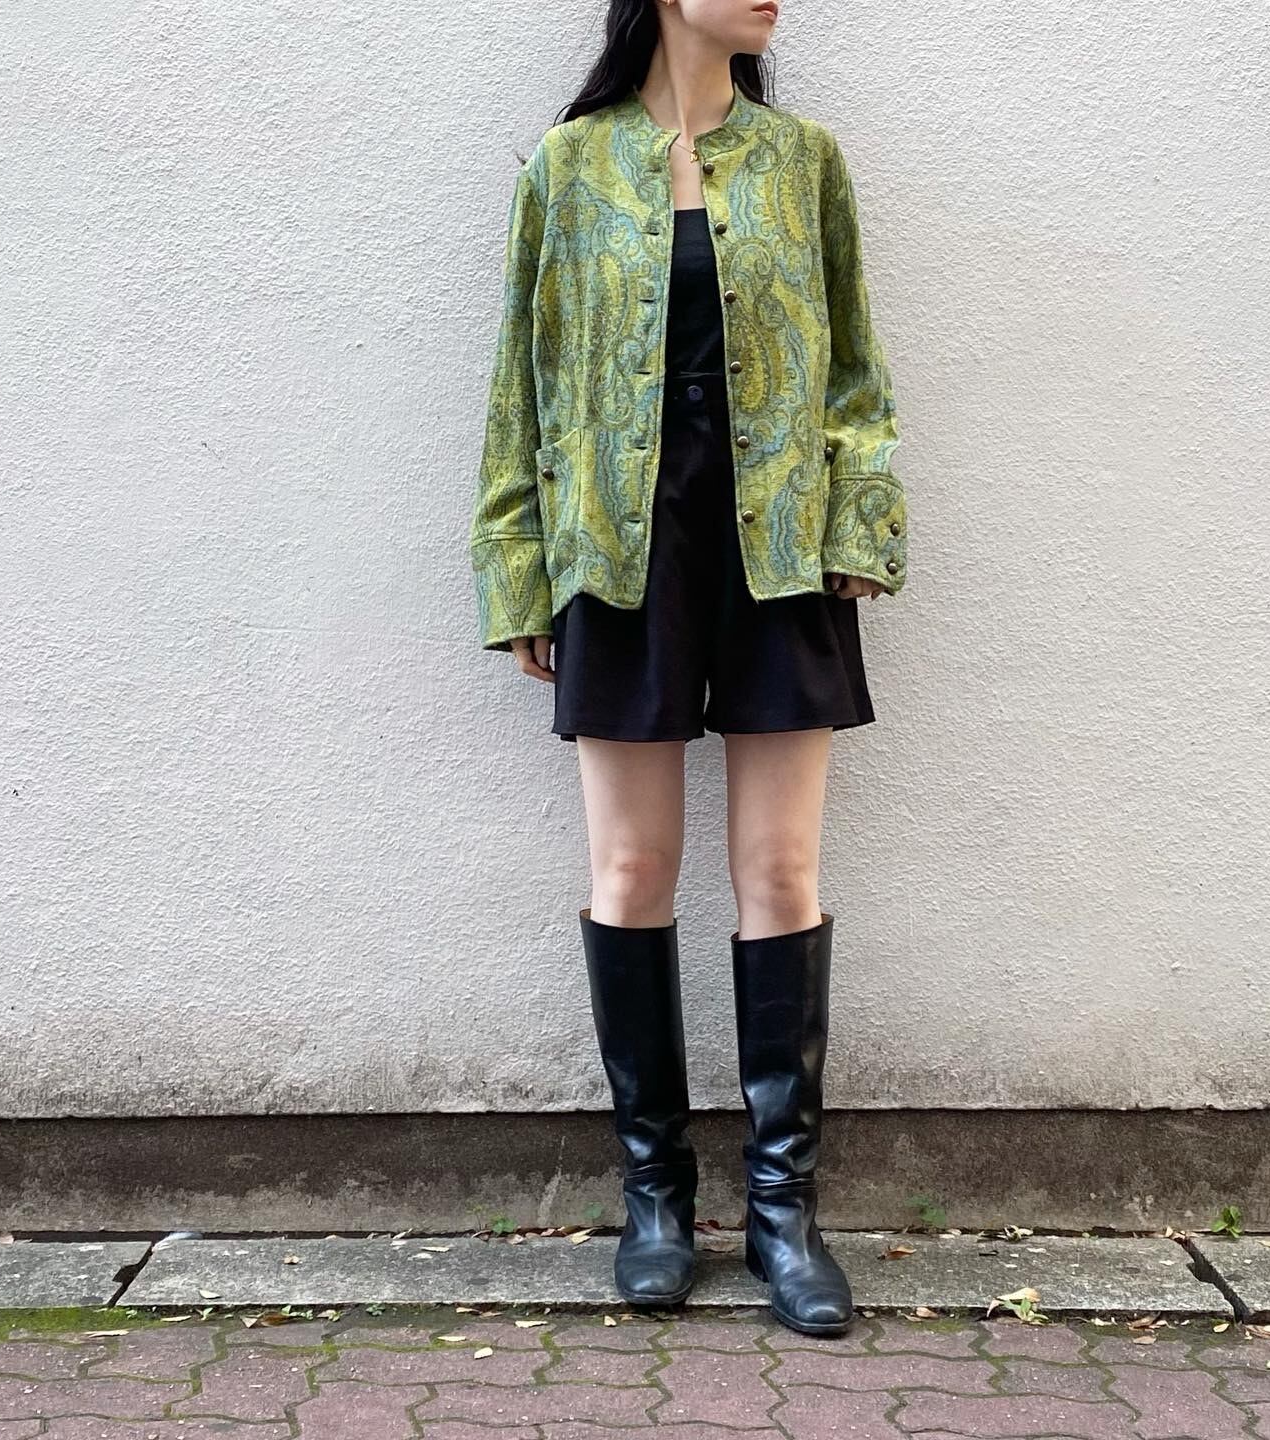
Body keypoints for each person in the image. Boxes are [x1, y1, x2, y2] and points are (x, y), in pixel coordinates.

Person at [468, 0, 907, 1339]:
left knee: (779, 868)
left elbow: (856, 375)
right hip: (619, 545)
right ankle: (655, 1201)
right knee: (632, 867)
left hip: (779, 541)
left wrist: (862, 522)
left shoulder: (805, 161)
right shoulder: (569, 165)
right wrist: (520, 568)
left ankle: (783, 1212)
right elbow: (522, 385)